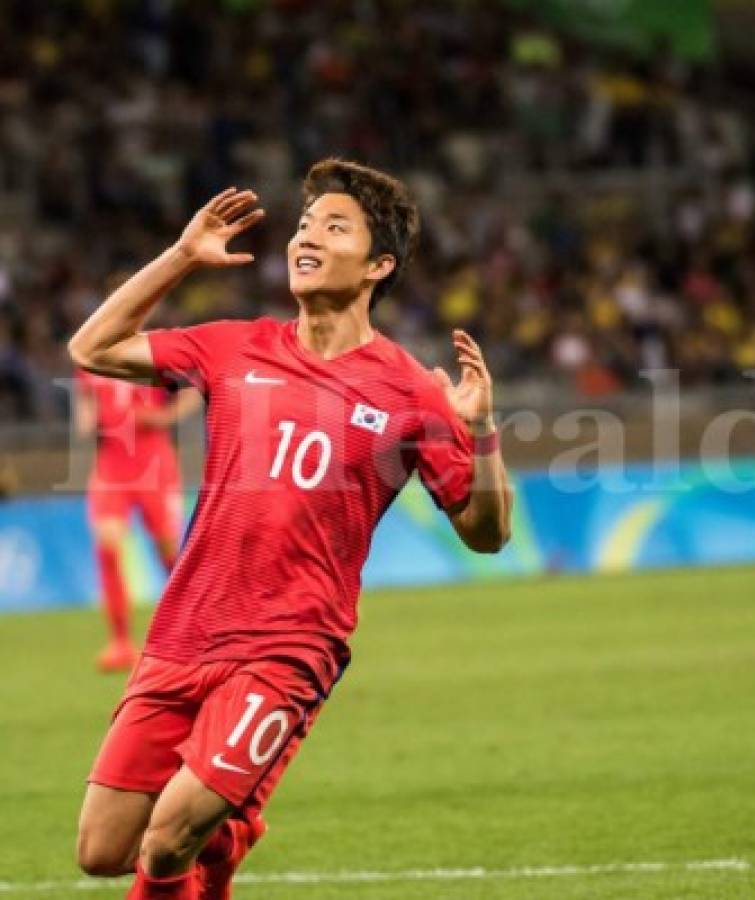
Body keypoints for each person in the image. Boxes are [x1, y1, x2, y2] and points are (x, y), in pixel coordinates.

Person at [69, 159, 513, 899]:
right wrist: (181, 255)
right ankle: (232, 830)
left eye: (334, 227)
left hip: (288, 645)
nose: (306, 237)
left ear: (379, 265)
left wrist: (483, 433)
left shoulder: (408, 392)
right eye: (305, 224)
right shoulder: (233, 347)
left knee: (170, 835)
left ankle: (210, 829)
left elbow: (486, 534)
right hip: (185, 631)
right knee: (102, 849)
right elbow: (92, 349)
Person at [75, 369, 199, 671]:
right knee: (107, 547)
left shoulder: (149, 355)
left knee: (171, 553)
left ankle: (193, 632)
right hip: (112, 464)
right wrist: (87, 422)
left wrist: (165, 417)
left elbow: (196, 389)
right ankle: (120, 642)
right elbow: (85, 406)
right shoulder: (89, 363)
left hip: (154, 462)